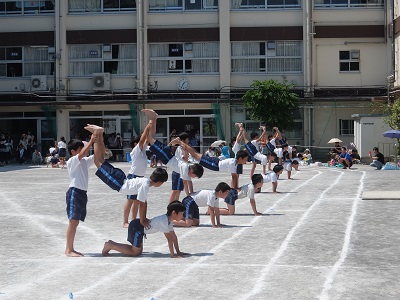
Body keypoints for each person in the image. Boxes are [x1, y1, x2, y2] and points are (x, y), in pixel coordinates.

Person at [85, 124, 168, 230]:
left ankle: (99, 133)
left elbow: (144, 202)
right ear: (159, 183)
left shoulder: (145, 182)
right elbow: (142, 203)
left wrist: (143, 218)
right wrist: (142, 220)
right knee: (98, 161)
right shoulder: (145, 182)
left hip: (121, 178)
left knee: (100, 159)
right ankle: (97, 133)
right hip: (119, 182)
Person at [102, 201, 190, 258]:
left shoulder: (169, 221)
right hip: (137, 227)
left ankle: (111, 244)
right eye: (181, 214)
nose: (182, 216)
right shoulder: (164, 220)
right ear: (174, 213)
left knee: (138, 251)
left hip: (140, 228)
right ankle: (110, 245)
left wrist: (178, 252)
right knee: (134, 253)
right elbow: (169, 239)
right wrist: (172, 255)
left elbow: (174, 237)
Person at [65, 134, 96, 257]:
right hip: (75, 191)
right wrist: (92, 140)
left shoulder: (83, 161)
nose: (83, 152)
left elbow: (98, 155)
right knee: (73, 222)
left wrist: (98, 139)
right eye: (79, 149)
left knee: (76, 222)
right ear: (73, 151)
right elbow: (83, 154)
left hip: (82, 193)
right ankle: (69, 249)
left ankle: (70, 248)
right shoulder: (72, 161)